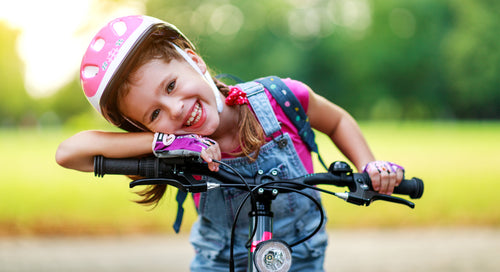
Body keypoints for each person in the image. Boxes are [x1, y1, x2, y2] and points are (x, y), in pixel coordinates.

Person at [56, 15, 404, 271]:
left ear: (194, 60)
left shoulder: (278, 98)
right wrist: (160, 141)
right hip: (219, 263)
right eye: (154, 114)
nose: (175, 110)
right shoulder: (171, 148)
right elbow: (69, 153)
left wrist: (368, 166)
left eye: (171, 85)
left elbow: (338, 120)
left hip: (298, 256)